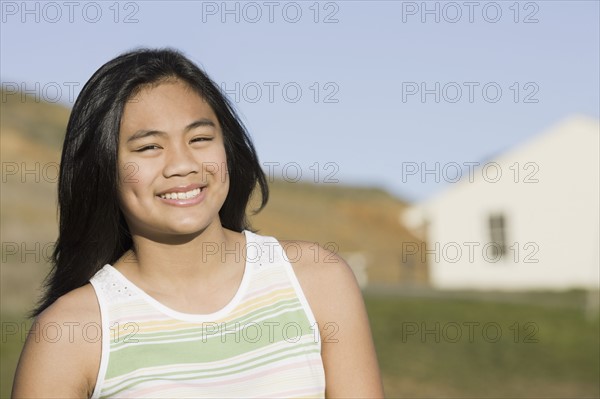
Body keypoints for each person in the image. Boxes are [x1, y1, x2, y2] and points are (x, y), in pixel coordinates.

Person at [12, 48, 384, 398]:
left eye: (201, 138)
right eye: (149, 147)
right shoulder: (69, 333)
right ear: (103, 170)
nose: (183, 164)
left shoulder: (318, 280)